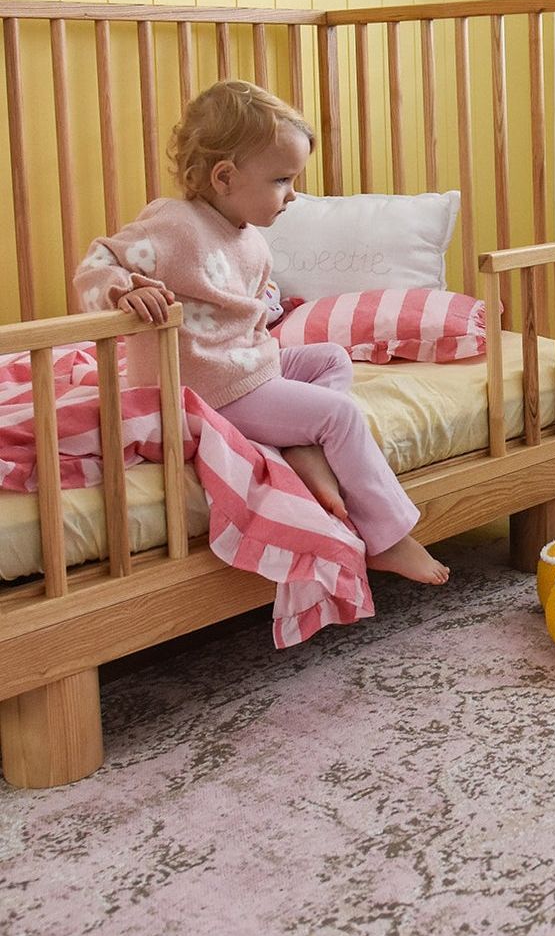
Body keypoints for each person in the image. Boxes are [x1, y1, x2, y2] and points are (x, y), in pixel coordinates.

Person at [73, 79, 448, 586]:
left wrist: (267, 305)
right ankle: (387, 538)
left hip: (245, 365)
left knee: (331, 358)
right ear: (225, 177)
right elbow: (97, 264)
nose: (292, 195)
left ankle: (300, 446)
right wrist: (123, 291)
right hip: (206, 386)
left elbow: (245, 303)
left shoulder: (250, 237)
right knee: (338, 415)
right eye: (281, 180)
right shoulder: (174, 224)